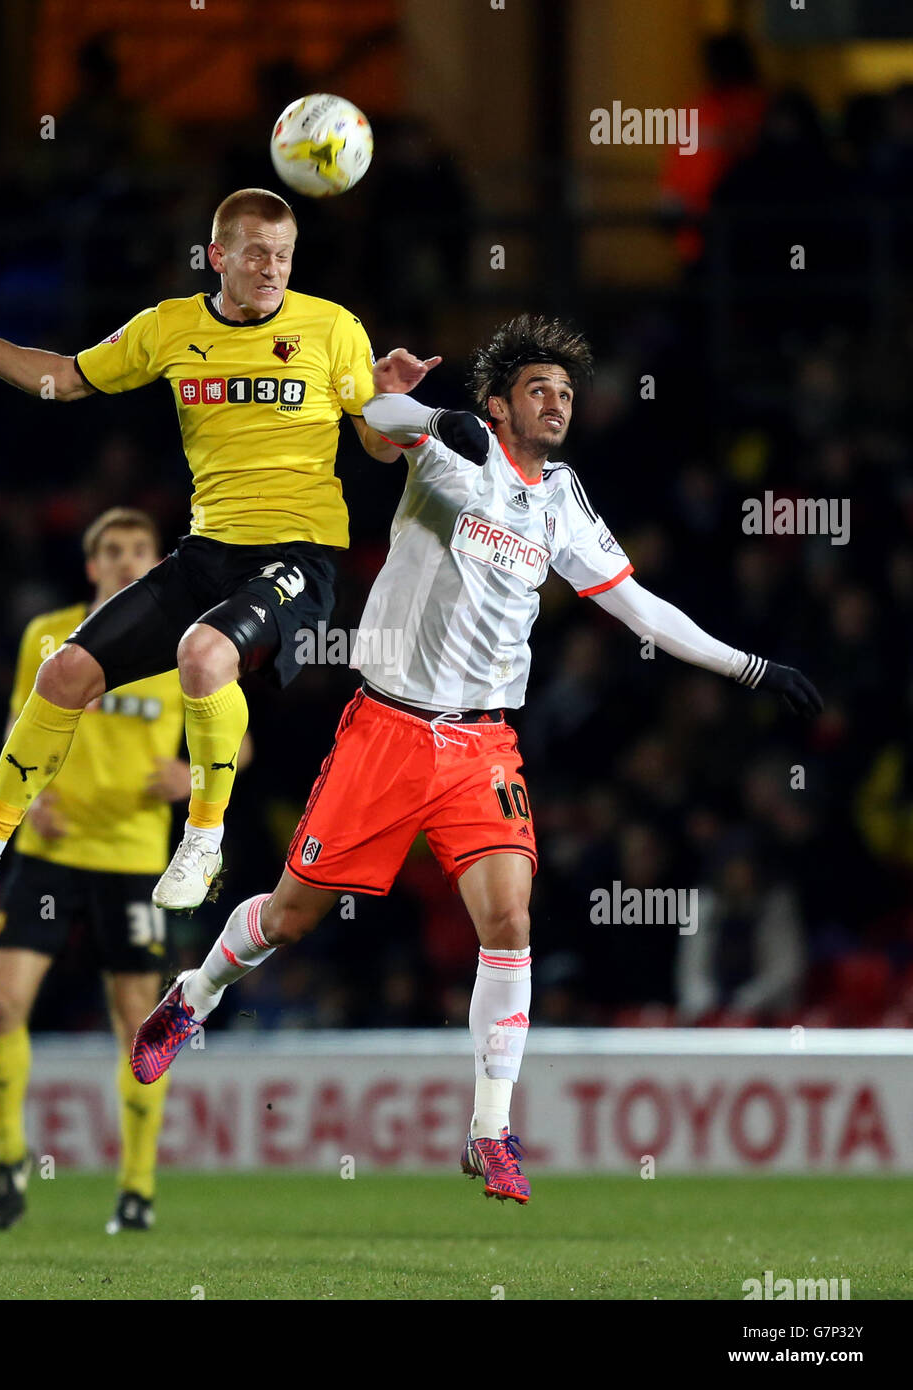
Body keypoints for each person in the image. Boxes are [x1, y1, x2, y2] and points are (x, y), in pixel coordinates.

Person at [128, 314, 822, 1204]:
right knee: (293, 916)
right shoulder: (450, 445)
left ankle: (490, 1129)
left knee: (510, 921)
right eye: (539, 389)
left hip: (482, 745)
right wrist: (399, 399)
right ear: (498, 404)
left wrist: (751, 666)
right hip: (385, 730)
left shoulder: (563, 499)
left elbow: (643, 610)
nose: (558, 403)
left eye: (567, 393)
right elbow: (376, 423)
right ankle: (197, 993)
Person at [0, 187, 400, 911]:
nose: (272, 268)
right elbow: (65, 378)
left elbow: (373, 445)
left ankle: (203, 840)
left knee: (203, 655)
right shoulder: (170, 327)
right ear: (218, 256)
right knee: (64, 672)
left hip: (298, 557)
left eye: (283, 256)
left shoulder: (333, 328)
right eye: (255, 254)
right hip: (208, 553)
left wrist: (390, 411)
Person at [0, 508, 248, 1232]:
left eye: (140, 550)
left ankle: (136, 1189)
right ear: (92, 567)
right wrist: (29, 806)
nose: (128, 561)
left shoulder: (185, 642)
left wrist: (189, 770)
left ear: (159, 560)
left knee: (136, 1025)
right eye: (113, 551)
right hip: (49, 854)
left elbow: (238, 745)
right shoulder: (50, 634)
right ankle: (7, 1163)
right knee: (2, 1006)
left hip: (133, 861)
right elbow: (16, 729)